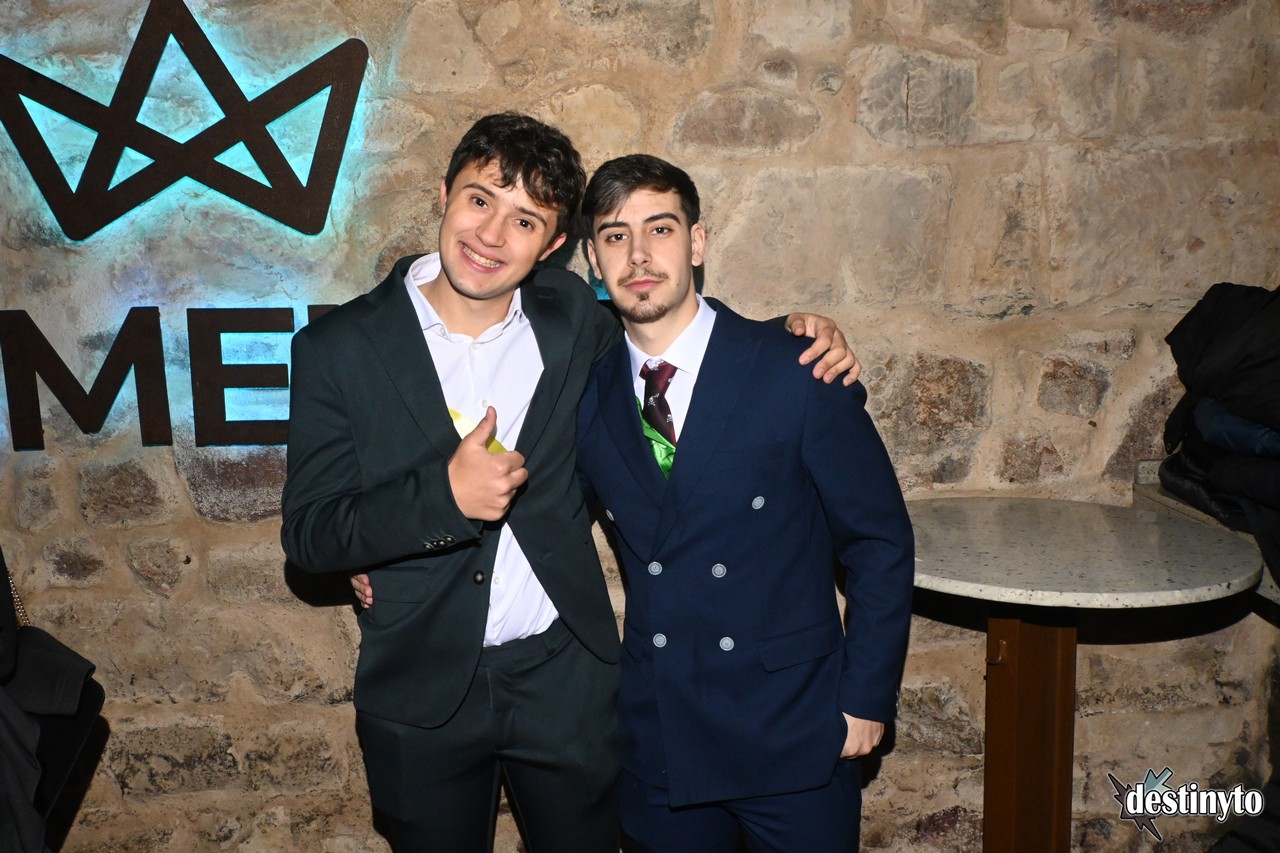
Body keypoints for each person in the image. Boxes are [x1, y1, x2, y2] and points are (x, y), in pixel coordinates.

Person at [281, 113, 860, 853]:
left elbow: (676, 335)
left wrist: (794, 334)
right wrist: (435, 505)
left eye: (525, 221)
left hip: (565, 680)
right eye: (480, 200)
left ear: (554, 246)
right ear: (443, 196)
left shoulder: (573, 321)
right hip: (419, 689)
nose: (492, 235)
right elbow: (311, 533)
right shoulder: (337, 348)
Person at [573, 154, 915, 853]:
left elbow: (878, 540)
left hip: (794, 728)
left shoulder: (795, 367)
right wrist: (392, 553)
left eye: (660, 229)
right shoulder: (588, 397)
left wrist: (865, 696)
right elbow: (534, 524)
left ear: (696, 242)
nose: (639, 255)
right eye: (615, 235)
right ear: (593, 260)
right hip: (662, 736)